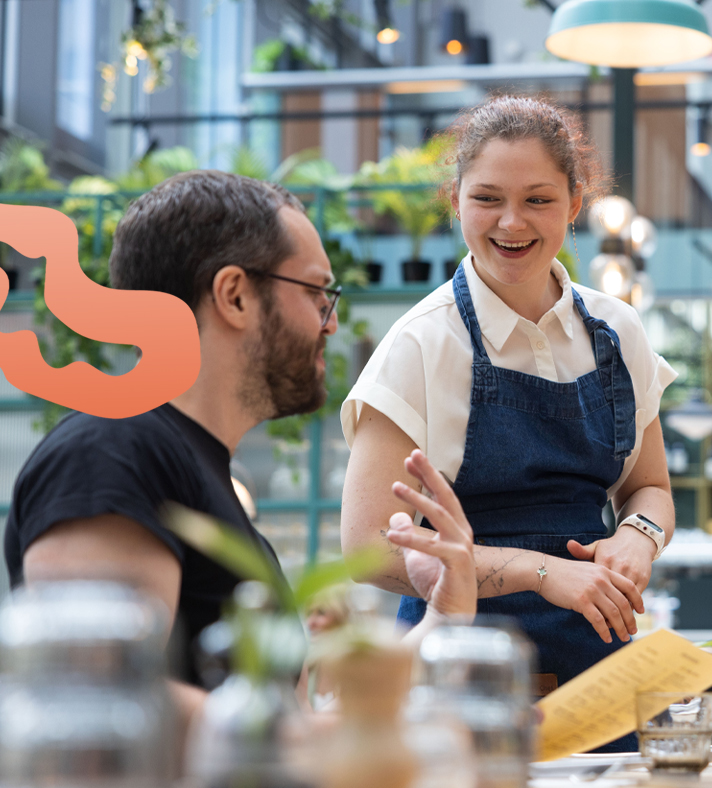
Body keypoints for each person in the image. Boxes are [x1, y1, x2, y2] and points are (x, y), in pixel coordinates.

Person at [3, 171, 474, 740]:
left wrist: (445, 617)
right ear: (234, 295)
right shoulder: (108, 448)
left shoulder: (197, 474)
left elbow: (285, 734)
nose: (330, 323)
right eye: (316, 292)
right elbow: (98, 691)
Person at [339, 96, 677, 722]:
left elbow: (649, 487)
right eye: (487, 198)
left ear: (575, 205)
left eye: (539, 200)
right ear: (456, 201)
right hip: (457, 678)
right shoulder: (421, 344)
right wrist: (543, 574)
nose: (511, 223)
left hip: (596, 670)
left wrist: (638, 537)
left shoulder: (616, 330)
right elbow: (369, 548)